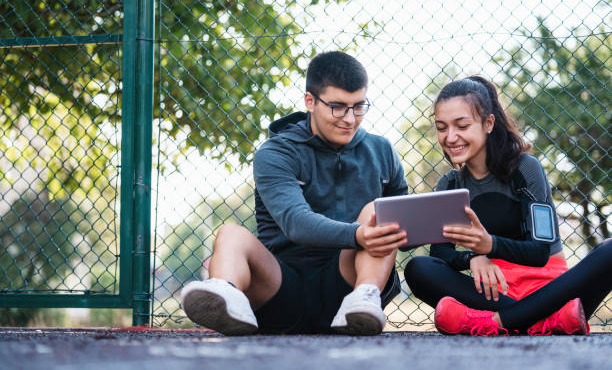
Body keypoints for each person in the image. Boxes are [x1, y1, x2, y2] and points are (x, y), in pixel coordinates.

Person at [181, 51, 409, 335]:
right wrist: (357, 233)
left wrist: (437, 228)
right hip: (280, 287)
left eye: (358, 106)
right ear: (310, 101)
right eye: (338, 107)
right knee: (230, 233)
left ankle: (364, 300)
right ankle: (226, 296)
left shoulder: (382, 150)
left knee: (379, 213)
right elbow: (296, 222)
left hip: (348, 286)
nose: (350, 119)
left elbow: (405, 226)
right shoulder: (276, 152)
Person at [403, 76, 612, 336]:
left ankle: (498, 322)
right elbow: (441, 256)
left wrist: (489, 245)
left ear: (488, 123)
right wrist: (473, 257)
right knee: (418, 268)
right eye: (441, 127)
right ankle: (546, 323)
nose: (450, 137)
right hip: (495, 290)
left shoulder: (526, 168)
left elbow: (540, 251)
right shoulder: (450, 184)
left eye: (462, 125)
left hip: (551, 291)